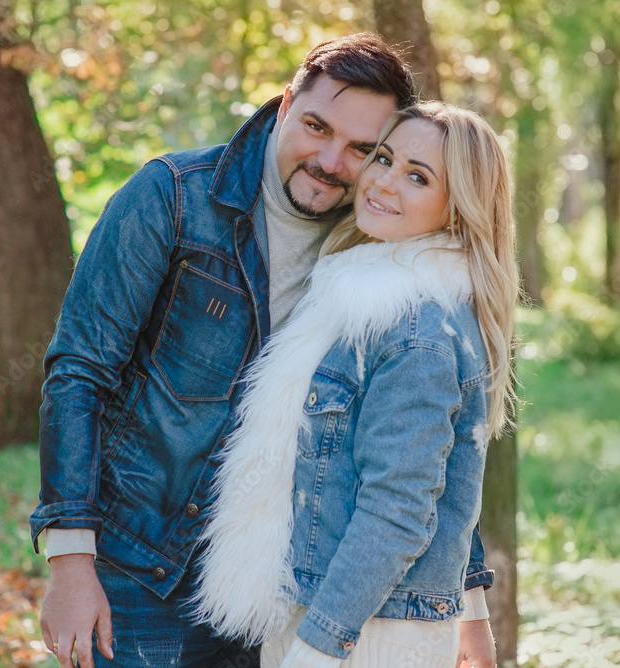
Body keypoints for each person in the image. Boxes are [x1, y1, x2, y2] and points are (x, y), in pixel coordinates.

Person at [31, 33, 496, 668]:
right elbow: (79, 373)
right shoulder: (172, 197)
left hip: (286, 586)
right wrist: (70, 563)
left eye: (364, 149)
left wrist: (466, 595)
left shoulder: (374, 245)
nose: (333, 161)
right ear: (283, 106)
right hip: (144, 572)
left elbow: (424, 445)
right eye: (316, 126)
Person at [192, 101, 518, 667]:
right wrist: (471, 610)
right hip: (345, 611)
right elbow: (444, 484)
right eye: (384, 158)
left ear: (457, 206)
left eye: (418, 177)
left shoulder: (414, 329)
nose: (383, 182)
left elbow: (399, 506)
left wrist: (320, 644)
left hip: (364, 630)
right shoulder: (370, 295)